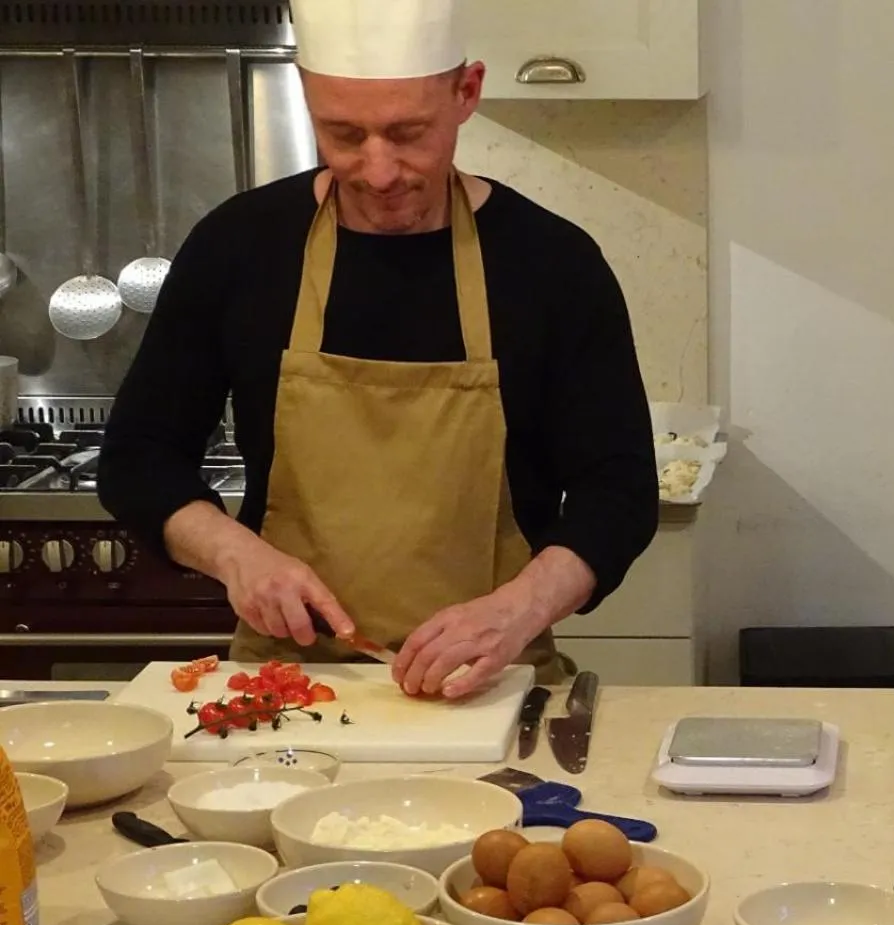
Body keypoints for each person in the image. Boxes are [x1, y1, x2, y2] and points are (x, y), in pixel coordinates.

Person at [98, 0, 658, 698]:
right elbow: (139, 456)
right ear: (306, 95)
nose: (380, 170)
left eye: (408, 132)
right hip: (284, 690)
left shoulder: (551, 263)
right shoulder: (240, 248)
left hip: (490, 685)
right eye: (343, 133)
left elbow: (620, 492)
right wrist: (236, 555)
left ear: (467, 92)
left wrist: (521, 608)